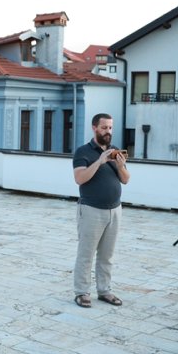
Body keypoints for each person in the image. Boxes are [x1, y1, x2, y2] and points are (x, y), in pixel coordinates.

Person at [71, 113, 130, 308]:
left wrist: (120, 166)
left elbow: (126, 179)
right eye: (104, 128)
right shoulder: (83, 152)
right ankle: (82, 292)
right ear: (94, 128)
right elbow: (80, 179)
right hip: (91, 210)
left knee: (107, 255)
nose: (108, 132)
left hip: (114, 210)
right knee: (86, 253)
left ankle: (104, 290)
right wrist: (100, 161)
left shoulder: (114, 150)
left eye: (111, 128)